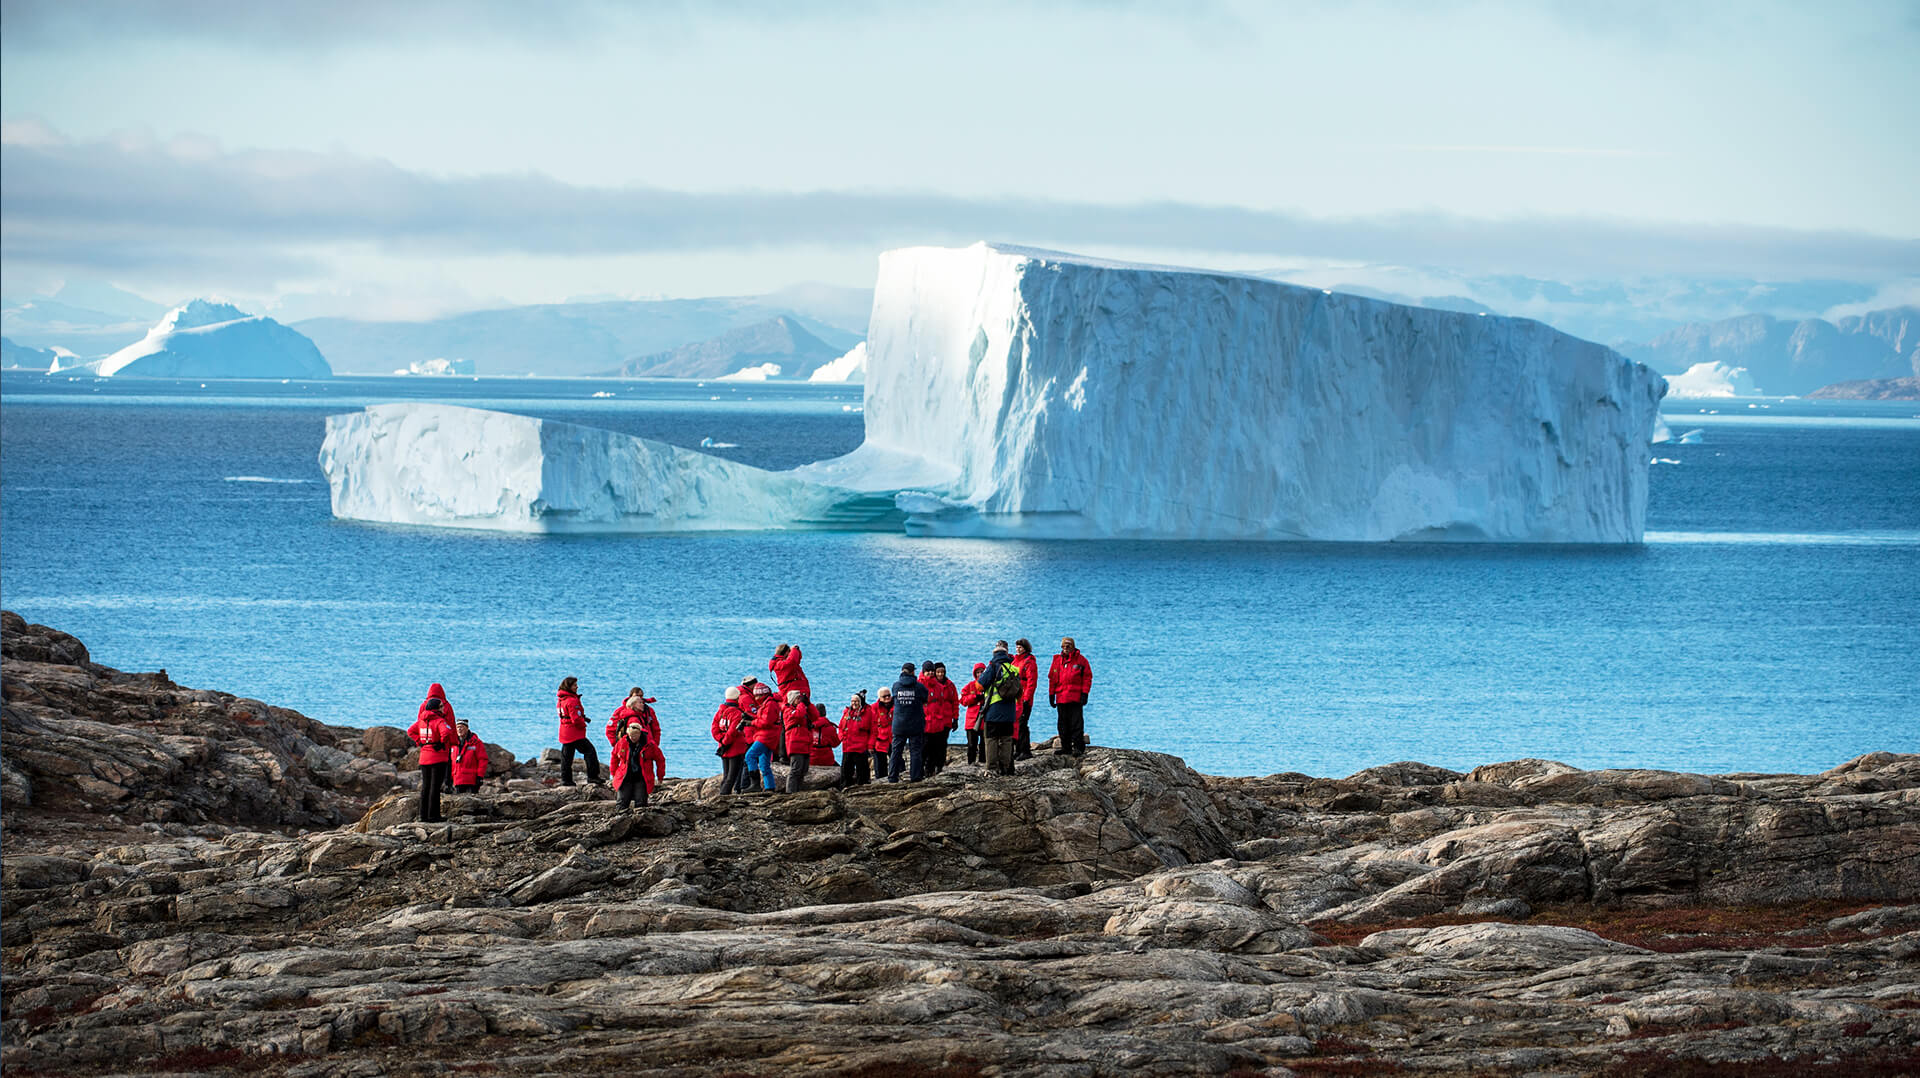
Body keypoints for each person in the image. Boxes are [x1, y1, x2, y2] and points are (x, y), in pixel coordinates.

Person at [407, 694, 454, 822]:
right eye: (442, 706)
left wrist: (420, 741)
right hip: (438, 757)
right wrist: (441, 743)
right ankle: (434, 815)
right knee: (435, 787)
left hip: (424, 757)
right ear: (437, 708)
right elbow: (446, 732)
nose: (444, 708)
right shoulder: (440, 721)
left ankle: (423, 815)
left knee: (426, 787)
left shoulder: (421, 721)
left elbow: (410, 731)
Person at [978, 643, 1022, 775]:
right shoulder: (1014, 669)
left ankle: (992, 768)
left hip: (993, 710)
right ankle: (1005, 767)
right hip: (1009, 712)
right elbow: (1019, 691)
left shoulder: (992, 667)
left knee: (991, 739)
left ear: (994, 655)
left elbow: (979, 685)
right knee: (1006, 740)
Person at [1048, 637, 1094, 756]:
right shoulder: (1057, 660)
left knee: (1076, 724)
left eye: (1068, 646)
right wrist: (1051, 694)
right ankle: (1066, 747)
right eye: (1064, 646)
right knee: (1062, 724)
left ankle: (1078, 747)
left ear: (1073, 647)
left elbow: (1087, 678)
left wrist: (1085, 693)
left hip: (1075, 697)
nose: (1066, 649)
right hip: (1061, 697)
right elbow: (1052, 678)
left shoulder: (1081, 660)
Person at [556, 676, 602, 786]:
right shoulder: (572, 701)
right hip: (574, 733)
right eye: (574, 685)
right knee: (590, 752)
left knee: (566, 758)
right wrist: (583, 725)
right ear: (569, 687)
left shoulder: (561, 700)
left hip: (564, 731)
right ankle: (593, 777)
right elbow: (576, 718)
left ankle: (566, 780)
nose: (577, 687)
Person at [888, 662, 927, 783]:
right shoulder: (919, 687)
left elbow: (894, 699)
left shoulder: (896, 686)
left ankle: (892, 776)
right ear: (913, 672)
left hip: (899, 724)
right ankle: (915, 776)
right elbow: (925, 698)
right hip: (915, 723)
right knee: (915, 751)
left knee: (896, 751)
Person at [711, 686, 753, 795]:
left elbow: (714, 728)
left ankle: (722, 795)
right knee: (732, 776)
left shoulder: (720, 711)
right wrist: (726, 741)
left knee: (726, 776)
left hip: (723, 748)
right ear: (737, 698)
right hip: (735, 748)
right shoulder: (737, 713)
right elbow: (733, 731)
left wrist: (721, 739)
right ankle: (723, 797)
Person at [921, 661, 959, 776]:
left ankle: (938, 766)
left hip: (944, 720)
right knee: (927, 746)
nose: (940, 674)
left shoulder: (949, 685)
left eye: (942, 671)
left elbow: (955, 702)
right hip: (930, 721)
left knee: (941, 745)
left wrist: (955, 718)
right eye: (937, 671)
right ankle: (927, 768)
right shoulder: (924, 685)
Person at [744, 682, 780, 792]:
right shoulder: (768, 704)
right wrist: (751, 717)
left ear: (763, 695)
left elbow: (766, 722)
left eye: (757, 695)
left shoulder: (769, 705)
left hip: (766, 736)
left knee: (749, 756)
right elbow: (764, 718)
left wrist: (751, 723)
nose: (756, 698)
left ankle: (755, 784)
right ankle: (770, 787)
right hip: (769, 737)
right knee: (764, 764)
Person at [781, 690, 820, 793]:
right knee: (795, 770)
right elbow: (798, 715)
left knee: (803, 770)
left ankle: (797, 791)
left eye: (800, 698)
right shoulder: (788, 710)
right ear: (792, 700)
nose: (799, 700)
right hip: (795, 743)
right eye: (798, 699)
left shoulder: (801, 708)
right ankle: (790, 792)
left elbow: (816, 716)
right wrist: (802, 704)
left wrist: (809, 704)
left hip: (805, 743)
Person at [608, 718, 651, 810]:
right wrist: (613, 773)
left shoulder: (648, 744)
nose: (632, 738)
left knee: (641, 804)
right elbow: (614, 757)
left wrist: (660, 776)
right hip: (625, 776)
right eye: (631, 735)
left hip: (641, 777)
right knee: (622, 803)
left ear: (640, 734)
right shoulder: (622, 742)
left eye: (635, 735)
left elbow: (660, 759)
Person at [1012, 639, 1040, 760]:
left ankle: (1025, 750)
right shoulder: (1015, 661)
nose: (1018, 649)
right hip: (1014, 698)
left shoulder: (1029, 662)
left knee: (1022, 724)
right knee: (1016, 725)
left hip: (1024, 698)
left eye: (1020, 647)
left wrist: (1027, 698)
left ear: (1025, 648)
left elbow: (1032, 682)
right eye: (1017, 647)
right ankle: (1018, 750)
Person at [839, 690, 872, 786]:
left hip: (860, 747)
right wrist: (841, 737)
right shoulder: (847, 713)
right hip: (847, 746)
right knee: (846, 771)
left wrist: (870, 745)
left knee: (862, 771)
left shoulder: (868, 713)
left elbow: (873, 730)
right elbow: (841, 727)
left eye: (856, 701)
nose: (854, 703)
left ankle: (862, 788)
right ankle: (845, 788)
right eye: (852, 701)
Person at [448, 718, 489, 793]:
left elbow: (483, 760)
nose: (459, 729)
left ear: (467, 728)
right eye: (457, 727)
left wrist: (480, 776)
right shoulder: (453, 743)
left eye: (462, 727)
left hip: (471, 780)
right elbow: (450, 762)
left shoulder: (476, 742)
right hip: (457, 779)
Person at [960, 662, 986, 765]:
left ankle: (983, 762)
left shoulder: (988, 685)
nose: (980, 674)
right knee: (971, 744)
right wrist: (974, 697)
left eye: (982, 672)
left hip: (984, 719)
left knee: (984, 744)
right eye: (978, 672)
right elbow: (962, 700)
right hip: (971, 720)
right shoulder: (970, 686)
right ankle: (971, 763)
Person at [868, 688, 894, 781]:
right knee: (880, 767)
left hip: (893, 739)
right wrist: (870, 745)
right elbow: (870, 727)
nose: (887, 698)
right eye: (884, 696)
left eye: (889, 695)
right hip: (879, 741)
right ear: (879, 697)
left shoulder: (896, 706)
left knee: (897, 763)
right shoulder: (873, 708)